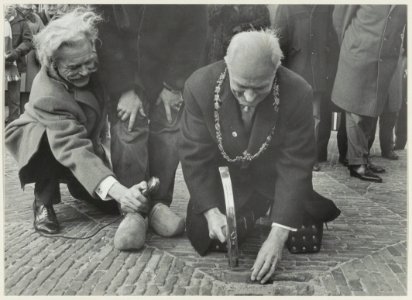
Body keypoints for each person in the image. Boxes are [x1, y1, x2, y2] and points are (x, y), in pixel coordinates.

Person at [179, 30, 340, 284]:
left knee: (299, 237)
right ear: (226, 64)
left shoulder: (298, 92)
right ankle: (253, 212)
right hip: (228, 182)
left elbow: (296, 165)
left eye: (261, 88)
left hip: (274, 179)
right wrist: (211, 212)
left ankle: (276, 213)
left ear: (276, 69)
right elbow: (193, 157)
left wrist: (277, 236)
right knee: (205, 235)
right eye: (241, 88)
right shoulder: (199, 87)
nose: (250, 99)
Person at [5, 9, 149, 247]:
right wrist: (120, 191)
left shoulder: (95, 63)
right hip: (46, 141)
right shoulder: (47, 95)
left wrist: (128, 92)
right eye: (74, 67)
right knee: (45, 138)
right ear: (53, 63)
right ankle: (43, 200)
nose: (84, 72)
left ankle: (80, 187)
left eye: (89, 63)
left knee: (108, 203)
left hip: (84, 143)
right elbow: (72, 147)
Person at [93, 5, 207, 246]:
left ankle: (158, 204)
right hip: (125, 68)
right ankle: (134, 210)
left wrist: (174, 84)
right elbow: (104, 30)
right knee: (128, 129)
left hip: (169, 68)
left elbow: (194, 30)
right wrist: (124, 87)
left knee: (169, 130)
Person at [332, 5, 406, 183]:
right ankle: (356, 164)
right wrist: (352, 45)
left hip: (384, 61)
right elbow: (339, 18)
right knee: (355, 110)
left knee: (371, 110)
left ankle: (363, 158)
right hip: (358, 55)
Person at [274, 5, 339, 171]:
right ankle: (290, 155)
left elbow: (332, 39)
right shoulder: (287, 7)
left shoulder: (326, 7)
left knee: (315, 116)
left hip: (317, 70)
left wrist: (328, 66)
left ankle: (309, 158)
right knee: (290, 115)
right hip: (294, 70)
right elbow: (280, 40)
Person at [205, 4, 271, 64]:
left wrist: (244, 26)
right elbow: (212, 23)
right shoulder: (225, 8)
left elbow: (266, 21)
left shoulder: (257, 5)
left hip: (250, 47)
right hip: (228, 48)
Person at [4, 5, 33, 123]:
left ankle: (13, 122)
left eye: (11, 4)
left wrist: (16, 52)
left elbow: (28, 41)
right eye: (7, 4)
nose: (9, 7)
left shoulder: (22, 22)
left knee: (14, 95)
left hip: (14, 63)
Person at [16, 4, 45, 113]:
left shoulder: (36, 18)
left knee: (31, 85)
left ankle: (28, 112)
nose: (27, 11)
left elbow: (43, 33)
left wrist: (35, 39)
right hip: (19, 53)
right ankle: (16, 114)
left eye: (29, 9)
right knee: (18, 85)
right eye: (24, 8)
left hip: (32, 54)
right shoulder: (14, 17)